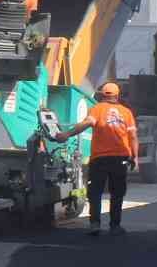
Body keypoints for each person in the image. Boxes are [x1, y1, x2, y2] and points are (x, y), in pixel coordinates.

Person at [54, 80, 139, 235]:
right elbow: (133, 136)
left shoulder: (97, 109)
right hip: (120, 158)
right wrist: (135, 157)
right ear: (117, 96)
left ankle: (95, 224)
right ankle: (115, 226)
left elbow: (86, 124)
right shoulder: (126, 113)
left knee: (95, 192)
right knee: (117, 193)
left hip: (99, 159)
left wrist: (67, 134)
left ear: (102, 95)